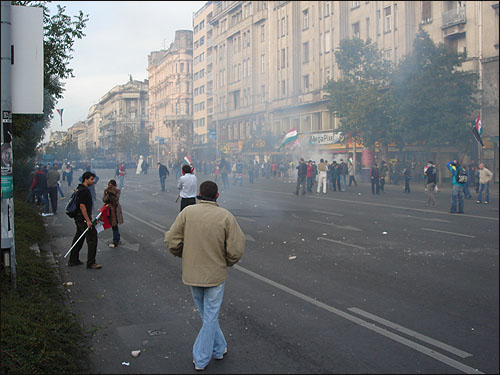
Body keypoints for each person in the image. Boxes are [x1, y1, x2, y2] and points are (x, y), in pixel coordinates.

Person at [164, 180, 245, 371]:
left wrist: (182, 254)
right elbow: (236, 249)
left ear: (200, 193)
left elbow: (171, 240)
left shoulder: (187, 212)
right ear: (217, 196)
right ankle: (201, 358)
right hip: (215, 275)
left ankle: (219, 348)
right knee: (210, 316)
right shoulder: (225, 216)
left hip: (192, 273)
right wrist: (228, 261)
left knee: (207, 315)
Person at [68, 171, 102, 269]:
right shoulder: (83, 191)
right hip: (82, 218)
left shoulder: (80, 188)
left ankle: (73, 259)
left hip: (79, 218)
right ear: (85, 179)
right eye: (91, 179)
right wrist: (88, 220)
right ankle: (91, 262)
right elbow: (82, 206)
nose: (93, 181)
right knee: (92, 238)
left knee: (79, 238)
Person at [102, 179, 123, 248]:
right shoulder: (106, 191)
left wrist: (111, 193)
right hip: (109, 209)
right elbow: (104, 200)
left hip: (115, 210)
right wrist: (107, 193)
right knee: (113, 225)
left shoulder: (117, 191)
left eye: (112, 186)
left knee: (114, 225)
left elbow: (116, 199)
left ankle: (116, 240)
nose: (110, 187)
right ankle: (117, 237)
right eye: (109, 185)